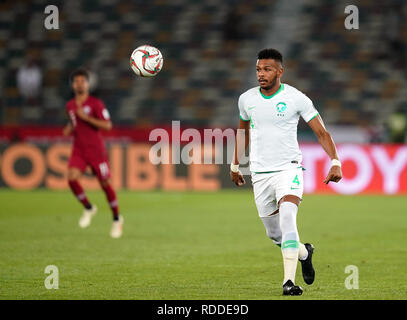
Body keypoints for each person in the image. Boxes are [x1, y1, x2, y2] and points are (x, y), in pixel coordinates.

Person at [230, 49, 342, 296]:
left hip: (288, 169)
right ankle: (304, 252)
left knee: (288, 216)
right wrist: (235, 164)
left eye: (267, 69)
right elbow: (243, 132)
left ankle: (288, 283)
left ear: (280, 71)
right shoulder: (246, 99)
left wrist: (335, 160)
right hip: (260, 173)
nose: (261, 74)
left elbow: (322, 132)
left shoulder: (296, 98)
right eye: (258, 69)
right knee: (274, 234)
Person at [63, 68, 123, 238]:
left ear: (88, 84)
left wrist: (86, 118)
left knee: (105, 184)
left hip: (96, 151)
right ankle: (89, 208)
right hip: (79, 150)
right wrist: (69, 128)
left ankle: (117, 219)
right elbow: (74, 123)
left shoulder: (96, 104)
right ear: (73, 85)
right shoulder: (70, 106)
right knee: (72, 178)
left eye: (83, 81)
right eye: (77, 81)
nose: (79, 84)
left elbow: (108, 126)